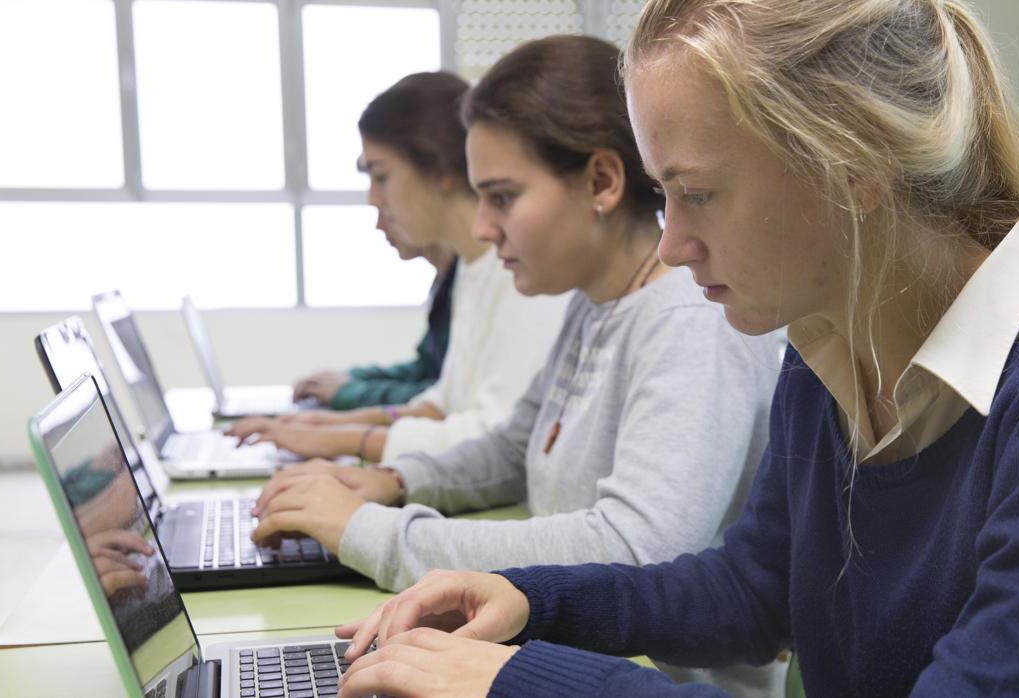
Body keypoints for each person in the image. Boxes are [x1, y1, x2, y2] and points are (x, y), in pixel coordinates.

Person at [327, 1, 1019, 696]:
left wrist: (520, 680)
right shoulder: (826, 342)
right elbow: (750, 592)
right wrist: (530, 602)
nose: (672, 244)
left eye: (698, 193)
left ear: (855, 166)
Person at [249, 35, 784, 696]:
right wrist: (391, 480)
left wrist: (375, 534)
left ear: (601, 182)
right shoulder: (600, 302)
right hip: (582, 656)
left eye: (502, 197)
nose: (481, 228)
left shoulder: (689, 318)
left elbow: (634, 545)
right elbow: (511, 447)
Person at [227, 72, 568, 462]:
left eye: (381, 176)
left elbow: (494, 434)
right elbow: (443, 403)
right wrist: (329, 425)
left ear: (439, 168)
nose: (373, 199)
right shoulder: (474, 270)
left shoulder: (521, 271)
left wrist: (347, 440)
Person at [293, 241, 456, 410]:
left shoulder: (471, 283)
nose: (379, 225)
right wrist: (352, 379)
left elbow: (450, 395)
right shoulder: (448, 281)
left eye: (388, 214)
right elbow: (427, 368)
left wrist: (352, 393)